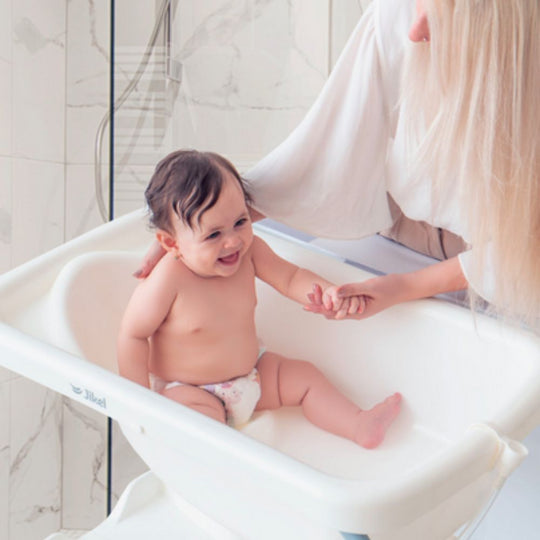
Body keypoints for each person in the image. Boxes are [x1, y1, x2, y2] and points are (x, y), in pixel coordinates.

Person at [136, 0, 539, 333]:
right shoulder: (398, 17)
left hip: (505, 265)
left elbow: (524, 247)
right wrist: (203, 226)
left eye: (446, 14)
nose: (414, 30)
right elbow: (334, 141)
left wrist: (403, 287)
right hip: (397, 226)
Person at [118, 150, 401, 448]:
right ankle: (229, 466)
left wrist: (329, 293)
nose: (233, 241)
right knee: (202, 427)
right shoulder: (168, 280)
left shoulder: (250, 253)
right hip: (189, 389)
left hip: (251, 374)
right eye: (213, 235)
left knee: (306, 378)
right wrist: (138, 401)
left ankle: (357, 424)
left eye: (240, 221)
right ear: (171, 243)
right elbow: (132, 335)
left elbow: (291, 278)